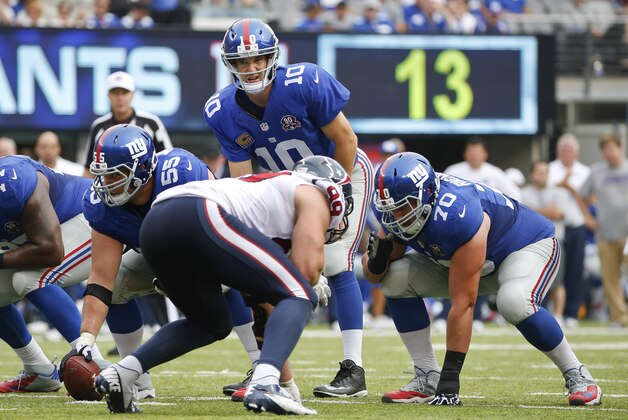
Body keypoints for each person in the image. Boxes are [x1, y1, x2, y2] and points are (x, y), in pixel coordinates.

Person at [93, 156, 353, 414]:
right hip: (198, 212)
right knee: (300, 293)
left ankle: (123, 373)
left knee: (210, 324)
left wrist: (287, 383)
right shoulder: (314, 191)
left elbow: (262, 310)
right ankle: (264, 384)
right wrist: (309, 283)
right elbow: (306, 272)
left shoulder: (269, 200)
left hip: (156, 223)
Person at [204, 18, 374, 398]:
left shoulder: (305, 83)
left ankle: (354, 368)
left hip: (344, 172)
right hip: (293, 187)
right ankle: (264, 367)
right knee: (250, 270)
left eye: (258, 59)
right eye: (242, 62)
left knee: (334, 262)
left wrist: (339, 194)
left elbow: (347, 139)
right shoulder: (222, 110)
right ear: (230, 64)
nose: (251, 68)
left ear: (273, 56)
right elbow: (242, 185)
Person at [362, 152, 602, 407]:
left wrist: (451, 380)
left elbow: (464, 303)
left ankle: (578, 375)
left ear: (428, 193)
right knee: (395, 279)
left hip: (524, 247)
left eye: (403, 207)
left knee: (513, 301)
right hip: (471, 261)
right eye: (392, 208)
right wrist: (377, 260)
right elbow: (375, 275)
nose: (397, 216)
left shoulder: (457, 214)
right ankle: (426, 377)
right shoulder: (396, 205)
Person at [68, 124, 263, 400]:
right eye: (104, 174)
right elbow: (101, 278)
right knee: (119, 281)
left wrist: (178, 270)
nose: (106, 183)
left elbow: (221, 227)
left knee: (230, 284)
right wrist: (87, 337)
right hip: (155, 252)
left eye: (116, 174)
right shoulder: (102, 204)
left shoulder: (181, 174)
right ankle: (135, 379)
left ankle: (261, 366)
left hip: (205, 247)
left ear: (143, 168)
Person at [0, 155, 108, 392]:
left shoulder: (13, 181)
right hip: (45, 238)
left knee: (29, 279)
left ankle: (96, 365)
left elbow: (50, 251)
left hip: (89, 215)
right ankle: (38, 370)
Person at [81, 71, 172, 177]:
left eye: (125, 92)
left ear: (132, 94)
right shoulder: (99, 126)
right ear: (108, 95)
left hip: (146, 187)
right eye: (115, 92)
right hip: (109, 187)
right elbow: (88, 168)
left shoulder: (151, 123)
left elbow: (167, 159)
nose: (120, 98)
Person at [579, 133, 628, 328]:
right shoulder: (596, 171)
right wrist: (588, 218)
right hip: (606, 234)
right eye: (605, 149)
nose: (609, 152)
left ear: (620, 147)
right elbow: (581, 195)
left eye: (612, 148)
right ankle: (619, 317)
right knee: (610, 279)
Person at [547, 133, 590, 328]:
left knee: (576, 270)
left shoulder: (585, 171)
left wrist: (570, 187)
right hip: (555, 228)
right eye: (564, 149)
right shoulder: (550, 169)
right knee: (554, 272)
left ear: (577, 152)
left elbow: (590, 199)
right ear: (558, 151)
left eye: (571, 150)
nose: (567, 153)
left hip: (577, 226)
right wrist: (560, 184)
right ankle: (553, 312)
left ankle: (572, 312)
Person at [521, 161, 570, 326]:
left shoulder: (558, 192)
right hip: (530, 242)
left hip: (555, 240)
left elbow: (559, 213)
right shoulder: (523, 193)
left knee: (558, 280)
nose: (541, 175)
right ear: (531, 174)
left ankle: (558, 315)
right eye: (538, 172)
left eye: (544, 172)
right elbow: (524, 215)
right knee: (528, 280)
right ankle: (529, 315)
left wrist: (535, 211)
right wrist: (547, 212)